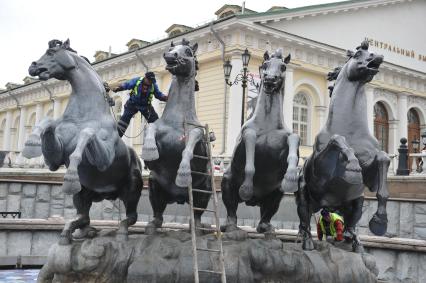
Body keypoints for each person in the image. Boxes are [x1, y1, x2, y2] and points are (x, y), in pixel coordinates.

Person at [113, 72, 168, 137]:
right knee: (124, 119)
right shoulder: (137, 80)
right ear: (145, 78)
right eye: (149, 80)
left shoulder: (153, 85)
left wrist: (165, 98)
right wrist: (119, 88)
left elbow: (158, 95)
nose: (150, 82)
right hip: (133, 104)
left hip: (146, 106)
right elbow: (127, 85)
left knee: (155, 121)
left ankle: (159, 137)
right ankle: (117, 136)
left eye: (152, 81)